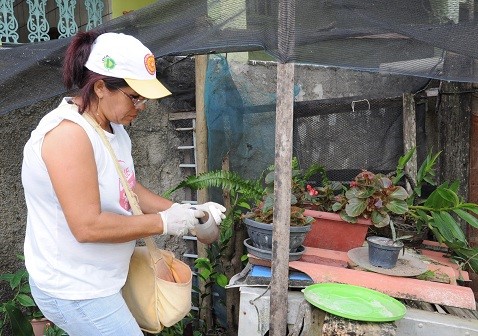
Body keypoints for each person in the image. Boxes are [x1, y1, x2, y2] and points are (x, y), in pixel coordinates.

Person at [22, 30, 226, 336]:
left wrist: (187, 211)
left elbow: (129, 189)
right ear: (101, 87)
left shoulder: (113, 129)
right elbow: (87, 227)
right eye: (135, 96)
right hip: (74, 286)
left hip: (102, 277)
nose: (142, 106)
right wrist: (163, 222)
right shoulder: (69, 136)